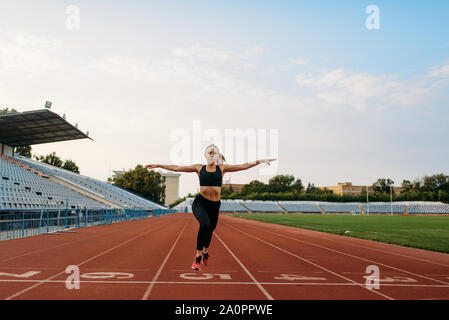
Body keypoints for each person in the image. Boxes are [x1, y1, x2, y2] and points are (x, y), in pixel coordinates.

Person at [145, 144, 276, 271]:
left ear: (217, 155)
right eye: (210, 152)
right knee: (205, 224)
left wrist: (259, 161)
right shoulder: (198, 168)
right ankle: (197, 258)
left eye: (215, 153)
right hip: (200, 203)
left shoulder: (222, 168)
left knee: (210, 230)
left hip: (214, 206)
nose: (212, 155)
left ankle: (205, 252)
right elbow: (178, 168)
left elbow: (243, 166)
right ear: (205, 155)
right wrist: (159, 165)